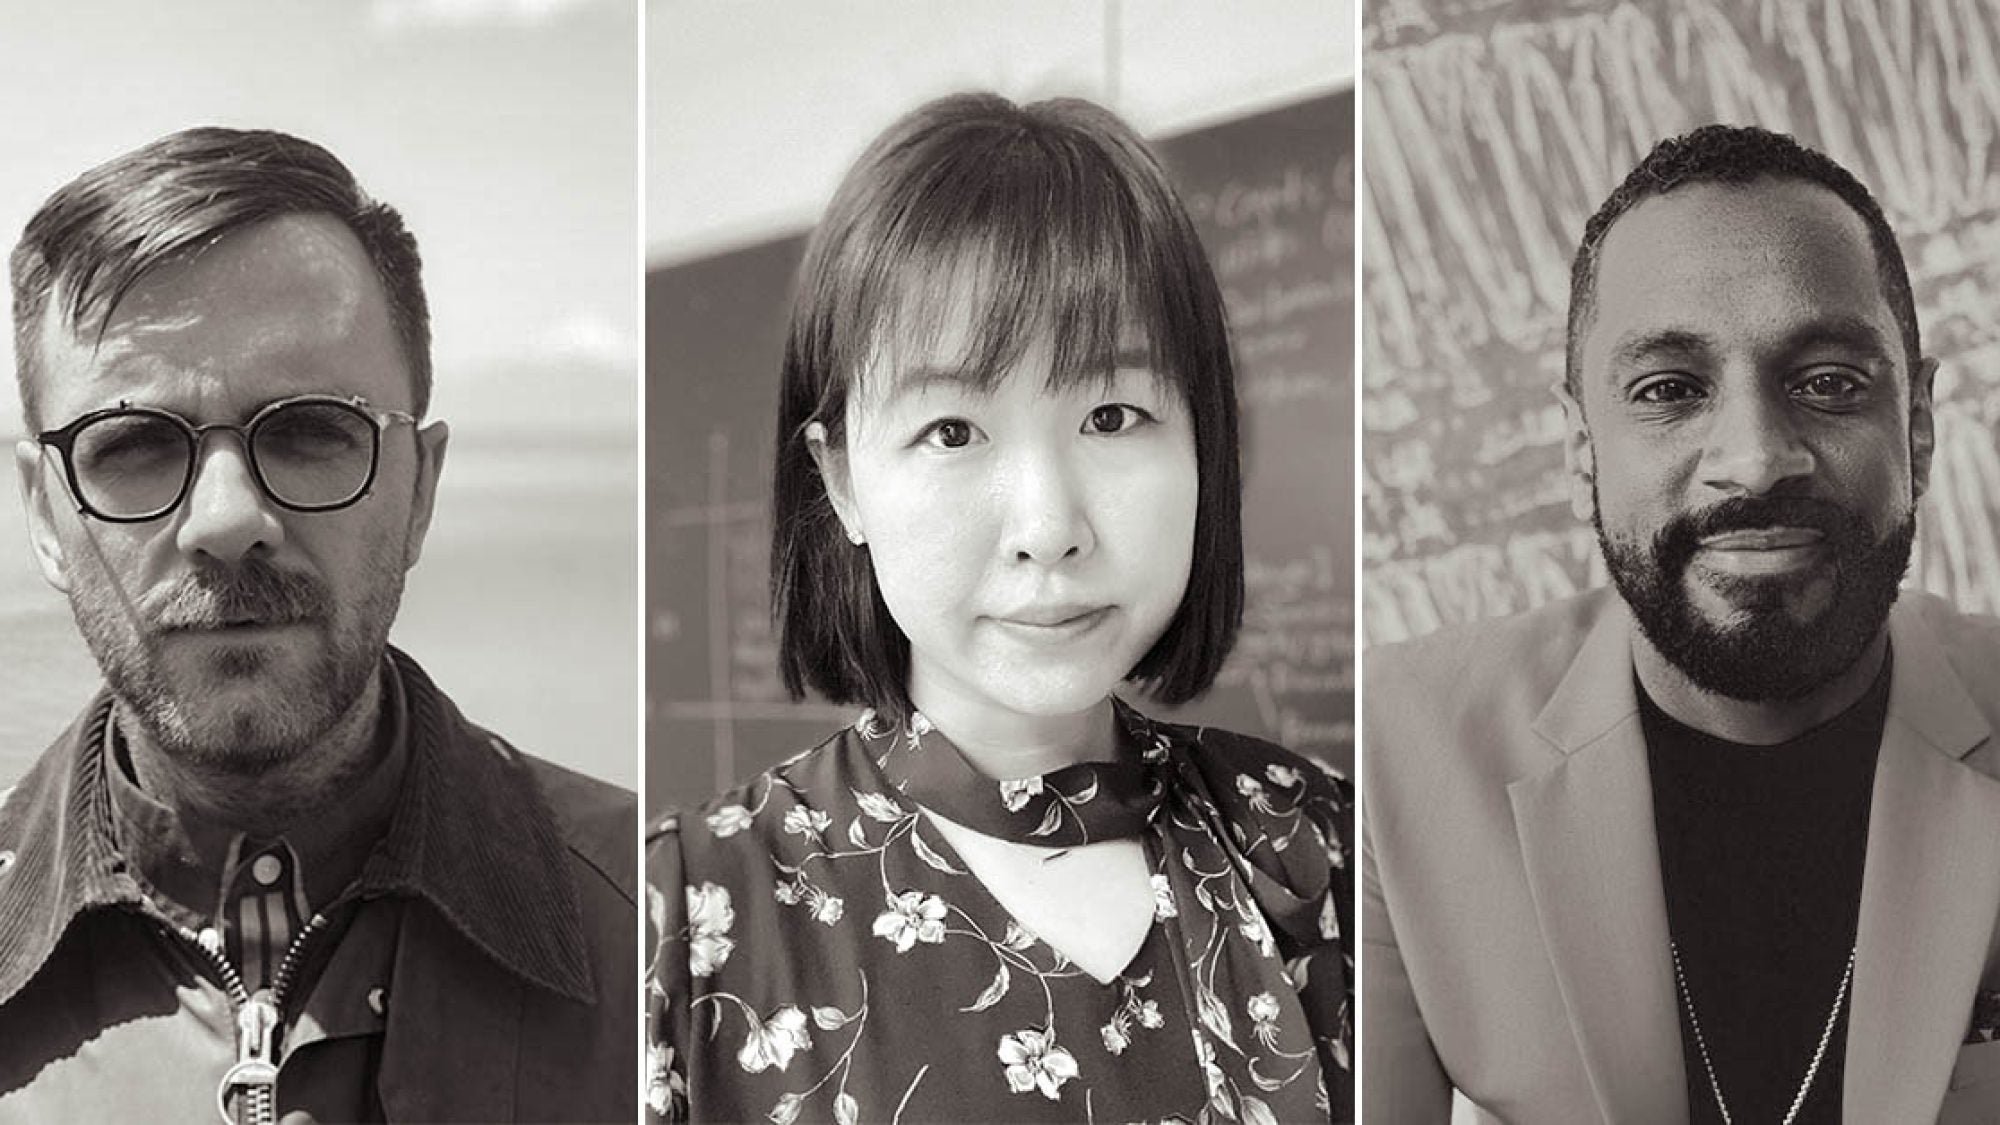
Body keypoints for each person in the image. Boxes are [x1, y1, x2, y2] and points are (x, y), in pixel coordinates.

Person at [645, 93, 1353, 1123]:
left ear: (1203, 443)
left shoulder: (1316, 841)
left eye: (1111, 416)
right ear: (841, 481)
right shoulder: (682, 918)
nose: (1048, 525)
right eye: (950, 430)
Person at [1363, 123, 2000, 1123]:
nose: (1751, 458)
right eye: (1667, 390)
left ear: (1915, 423)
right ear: (1581, 444)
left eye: (1826, 382)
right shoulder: (1393, 752)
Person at [0, 128, 634, 1123]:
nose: (225, 522)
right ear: (44, 513)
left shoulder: (667, 939)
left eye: (308, 432)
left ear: (420, 489)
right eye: (131, 447)